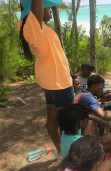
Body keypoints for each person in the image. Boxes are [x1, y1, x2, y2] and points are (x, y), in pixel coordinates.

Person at [19, 0, 74, 157]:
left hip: (55, 81)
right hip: (58, 83)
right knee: (69, 122)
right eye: (47, 8)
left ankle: (61, 151)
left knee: (53, 119)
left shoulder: (38, 28)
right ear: (38, 10)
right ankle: (69, 155)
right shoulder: (33, 27)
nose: (49, 11)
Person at [57, 104, 111, 170]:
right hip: (83, 170)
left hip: (76, 164)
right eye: (84, 118)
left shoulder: (66, 133)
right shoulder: (80, 142)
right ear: (78, 123)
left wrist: (110, 126)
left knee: (91, 123)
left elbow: (90, 118)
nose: (87, 119)